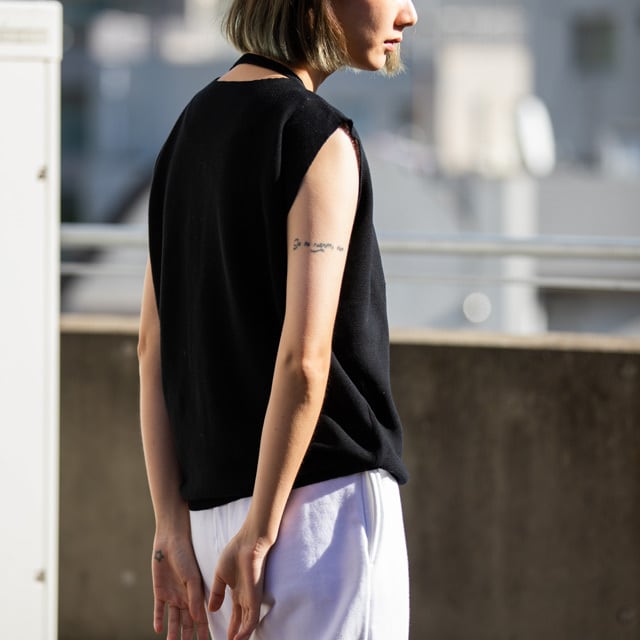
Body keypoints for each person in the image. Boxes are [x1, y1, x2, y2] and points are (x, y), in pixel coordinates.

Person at [138, 1, 418, 638]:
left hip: (209, 527)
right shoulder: (317, 136)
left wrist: (170, 526)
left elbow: (153, 345)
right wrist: (261, 531)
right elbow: (305, 360)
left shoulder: (186, 132)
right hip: (322, 521)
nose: (409, 14)